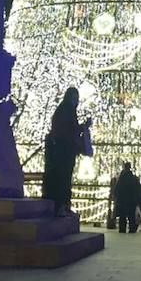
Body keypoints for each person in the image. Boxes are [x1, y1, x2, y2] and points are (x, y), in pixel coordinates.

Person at [42, 87, 89, 217]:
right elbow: (68, 130)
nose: (76, 101)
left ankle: (62, 205)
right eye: (75, 98)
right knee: (63, 179)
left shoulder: (65, 110)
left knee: (63, 178)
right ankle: (61, 205)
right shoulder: (67, 110)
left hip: (63, 150)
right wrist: (82, 129)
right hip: (63, 151)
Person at [113, 162, 140, 233]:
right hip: (131, 200)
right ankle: (132, 229)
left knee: (122, 216)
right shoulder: (133, 178)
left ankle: (122, 229)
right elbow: (137, 189)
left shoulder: (121, 178)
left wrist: (116, 197)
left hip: (122, 200)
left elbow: (117, 189)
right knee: (131, 216)